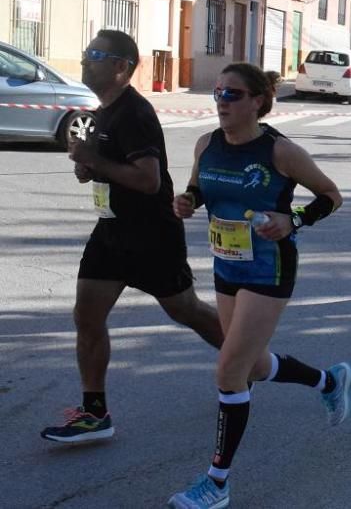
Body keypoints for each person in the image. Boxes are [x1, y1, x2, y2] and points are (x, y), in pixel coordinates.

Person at [168, 64, 350, 508]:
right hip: (227, 265)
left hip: (269, 269)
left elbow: (331, 194)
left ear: (257, 102)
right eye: (217, 93)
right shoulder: (206, 143)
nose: (222, 102)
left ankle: (217, 483)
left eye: (232, 94)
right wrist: (188, 201)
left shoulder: (280, 152)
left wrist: (296, 220)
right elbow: (199, 188)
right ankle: (328, 381)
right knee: (247, 366)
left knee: (229, 370)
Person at [41, 30, 223, 444]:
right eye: (86, 52)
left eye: (96, 55)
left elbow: (148, 179)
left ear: (121, 68)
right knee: (86, 316)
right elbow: (110, 165)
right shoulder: (104, 109)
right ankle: (94, 413)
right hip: (111, 231)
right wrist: (92, 167)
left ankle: (247, 362)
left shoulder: (134, 113)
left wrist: (91, 158)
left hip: (151, 235)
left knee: (187, 311)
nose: (85, 60)